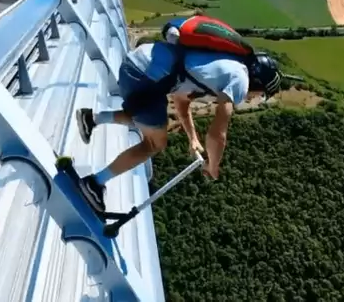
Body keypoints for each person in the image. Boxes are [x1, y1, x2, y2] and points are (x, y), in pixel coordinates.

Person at [75, 26, 283, 213]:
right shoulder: (240, 80)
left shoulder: (221, 65)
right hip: (145, 77)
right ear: (258, 83)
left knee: (146, 118)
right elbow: (218, 134)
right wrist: (213, 166)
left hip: (138, 65)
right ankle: (94, 184)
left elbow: (181, 102)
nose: (254, 98)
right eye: (260, 94)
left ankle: (91, 118)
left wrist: (192, 138)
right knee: (155, 143)